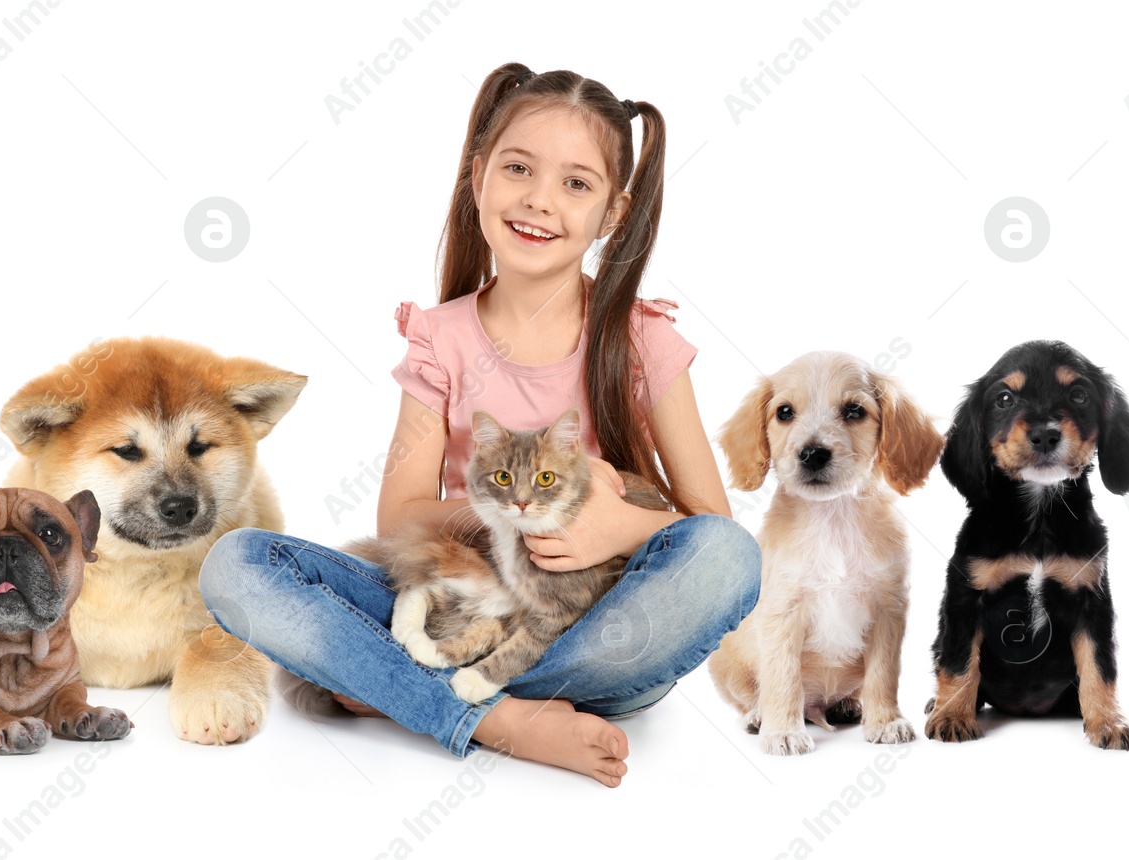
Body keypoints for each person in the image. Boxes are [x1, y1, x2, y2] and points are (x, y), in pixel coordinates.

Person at [199, 62, 761, 788]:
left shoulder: (640, 339)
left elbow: (711, 527)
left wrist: (611, 526)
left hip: (596, 634)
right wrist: (516, 517)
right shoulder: (442, 338)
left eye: (576, 184)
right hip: (457, 608)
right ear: (477, 178)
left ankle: (399, 686)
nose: (539, 201)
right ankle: (495, 718)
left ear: (612, 216)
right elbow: (400, 517)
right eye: (518, 169)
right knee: (237, 566)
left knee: (730, 560)